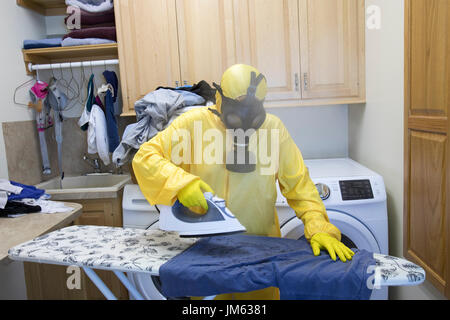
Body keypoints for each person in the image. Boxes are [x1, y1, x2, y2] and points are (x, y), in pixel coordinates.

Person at [133, 64, 354, 300]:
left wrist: (317, 225)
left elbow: (299, 185)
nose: (247, 116)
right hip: (205, 255)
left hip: (260, 253)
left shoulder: (273, 129)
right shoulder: (193, 125)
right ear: (219, 97)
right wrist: (181, 183)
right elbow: (145, 158)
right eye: (239, 107)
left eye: (254, 107)